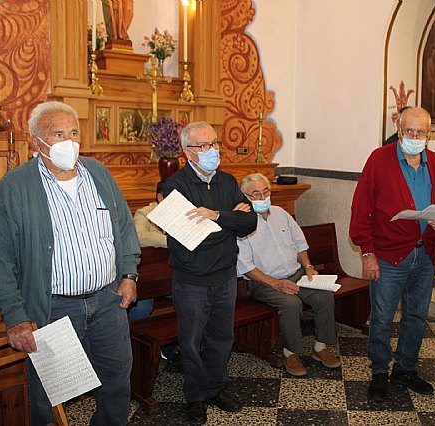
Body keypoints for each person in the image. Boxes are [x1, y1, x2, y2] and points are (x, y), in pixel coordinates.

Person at [0, 101, 140, 426]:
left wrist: (128, 273)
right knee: (50, 394)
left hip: (108, 301)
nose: (69, 141)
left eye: (73, 132)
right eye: (58, 133)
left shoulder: (98, 172)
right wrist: (15, 316)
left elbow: (122, 226)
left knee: (116, 382)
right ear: (37, 142)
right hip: (52, 308)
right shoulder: (15, 187)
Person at [350, 107, 435, 402]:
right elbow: (361, 209)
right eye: (408, 132)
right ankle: (378, 372)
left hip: (424, 252)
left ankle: (406, 369)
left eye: (420, 132)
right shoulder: (379, 159)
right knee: (383, 317)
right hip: (388, 254)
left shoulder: (434, 162)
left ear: (429, 134)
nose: (414, 137)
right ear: (399, 131)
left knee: (416, 316)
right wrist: (367, 253)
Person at [161, 121, 257, 425]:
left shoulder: (228, 182)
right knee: (191, 341)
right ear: (188, 152)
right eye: (203, 146)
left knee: (221, 337)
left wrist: (215, 217)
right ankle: (195, 396)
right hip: (192, 279)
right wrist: (229, 223)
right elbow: (189, 236)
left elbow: (250, 223)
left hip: (225, 275)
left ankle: (215, 388)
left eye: (213, 144)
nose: (211, 150)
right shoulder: (174, 186)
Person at [236, 173, 342, 377]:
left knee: (324, 296)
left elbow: (300, 245)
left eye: (265, 191)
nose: (262, 197)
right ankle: (290, 353)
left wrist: (309, 266)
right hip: (265, 283)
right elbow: (247, 267)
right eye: (255, 194)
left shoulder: (280, 214)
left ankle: (320, 348)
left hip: (297, 274)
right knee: (291, 304)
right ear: (245, 197)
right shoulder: (242, 224)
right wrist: (276, 284)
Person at [128, 181, 166, 321]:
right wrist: (170, 242)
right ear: (161, 198)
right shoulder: (145, 213)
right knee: (141, 308)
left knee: (195, 298)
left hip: (174, 278)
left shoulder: (184, 213)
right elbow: (139, 237)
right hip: (148, 280)